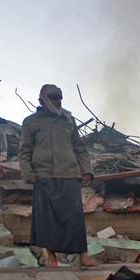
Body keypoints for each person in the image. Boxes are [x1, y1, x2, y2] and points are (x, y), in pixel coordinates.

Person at [19, 84, 96, 268]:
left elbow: (79, 147)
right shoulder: (31, 122)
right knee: (47, 220)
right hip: (43, 176)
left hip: (68, 175)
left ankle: (83, 256)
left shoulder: (68, 120)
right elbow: (24, 151)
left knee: (75, 217)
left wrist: (86, 170)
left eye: (59, 97)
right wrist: (28, 174)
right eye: (53, 97)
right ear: (42, 100)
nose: (57, 101)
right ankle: (51, 259)